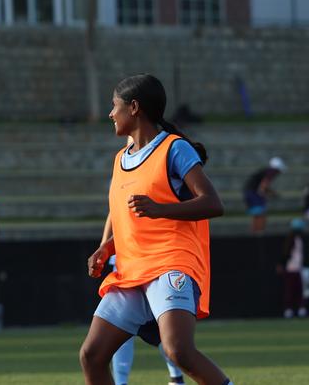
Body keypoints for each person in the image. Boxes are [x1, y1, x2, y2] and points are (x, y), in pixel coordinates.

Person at [80, 74, 231, 385]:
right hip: (131, 270)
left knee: (179, 351)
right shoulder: (121, 158)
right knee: (92, 355)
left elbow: (213, 203)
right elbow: (126, 219)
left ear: (134, 108)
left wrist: (161, 209)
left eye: (114, 106)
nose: (111, 113)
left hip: (171, 263)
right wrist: (106, 247)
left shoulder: (174, 149)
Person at [98, 216, 186, 385]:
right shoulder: (120, 189)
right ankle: (122, 382)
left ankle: (176, 378)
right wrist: (104, 246)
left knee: (165, 330)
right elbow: (114, 212)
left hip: (156, 260)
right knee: (118, 327)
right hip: (126, 261)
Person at [243, 157, 286, 233]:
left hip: (248, 192)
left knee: (256, 215)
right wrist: (272, 194)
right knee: (261, 215)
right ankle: (259, 233)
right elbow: (263, 187)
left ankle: (254, 233)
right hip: (253, 194)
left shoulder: (265, 171)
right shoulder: (271, 172)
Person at [279, 219, 306, 318]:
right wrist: (282, 264)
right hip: (291, 269)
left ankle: (301, 309)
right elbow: (285, 253)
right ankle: (288, 310)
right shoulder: (290, 240)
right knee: (290, 290)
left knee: (299, 290)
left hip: (298, 268)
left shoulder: (300, 239)